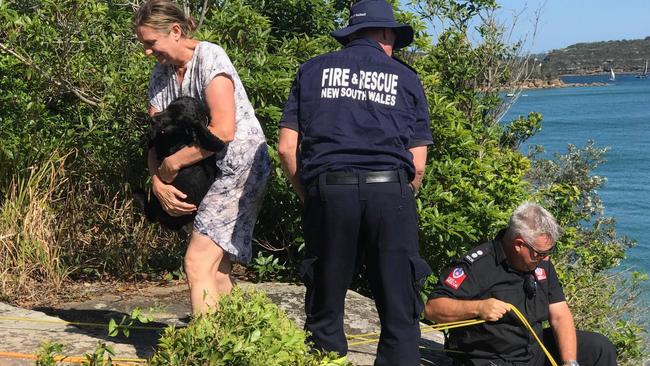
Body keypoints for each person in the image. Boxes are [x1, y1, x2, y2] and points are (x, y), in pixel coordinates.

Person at [278, 0, 433, 365]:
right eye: (393, 36)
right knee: (399, 306)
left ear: (352, 32)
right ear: (383, 33)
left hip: (330, 190)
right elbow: (419, 164)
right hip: (390, 191)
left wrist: (311, 195)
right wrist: (399, 194)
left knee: (326, 304)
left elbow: (287, 148)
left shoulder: (311, 70)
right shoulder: (406, 77)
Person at [133, 0, 270, 314]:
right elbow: (156, 140)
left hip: (239, 168)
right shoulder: (159, 75)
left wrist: (173, 164)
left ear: (176, 31)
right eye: (144, 44)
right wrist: (157, 182)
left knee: (196, 262)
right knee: (216, 267)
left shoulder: (210, 57)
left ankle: (204, 349)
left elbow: (223, 131)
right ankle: (239, 339)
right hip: (202, 173)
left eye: (151, 43)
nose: (147, 51)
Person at [425, 202, 617, 366]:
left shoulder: (541, 263)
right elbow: (433, 308)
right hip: (491, 357)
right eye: (540, 253)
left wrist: (570, 362)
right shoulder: (479, 265)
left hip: (533, 350)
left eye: (550, 251)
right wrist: (478, 307)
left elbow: (560, 314)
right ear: (518, 244)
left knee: (599, 347)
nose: (546, 258)